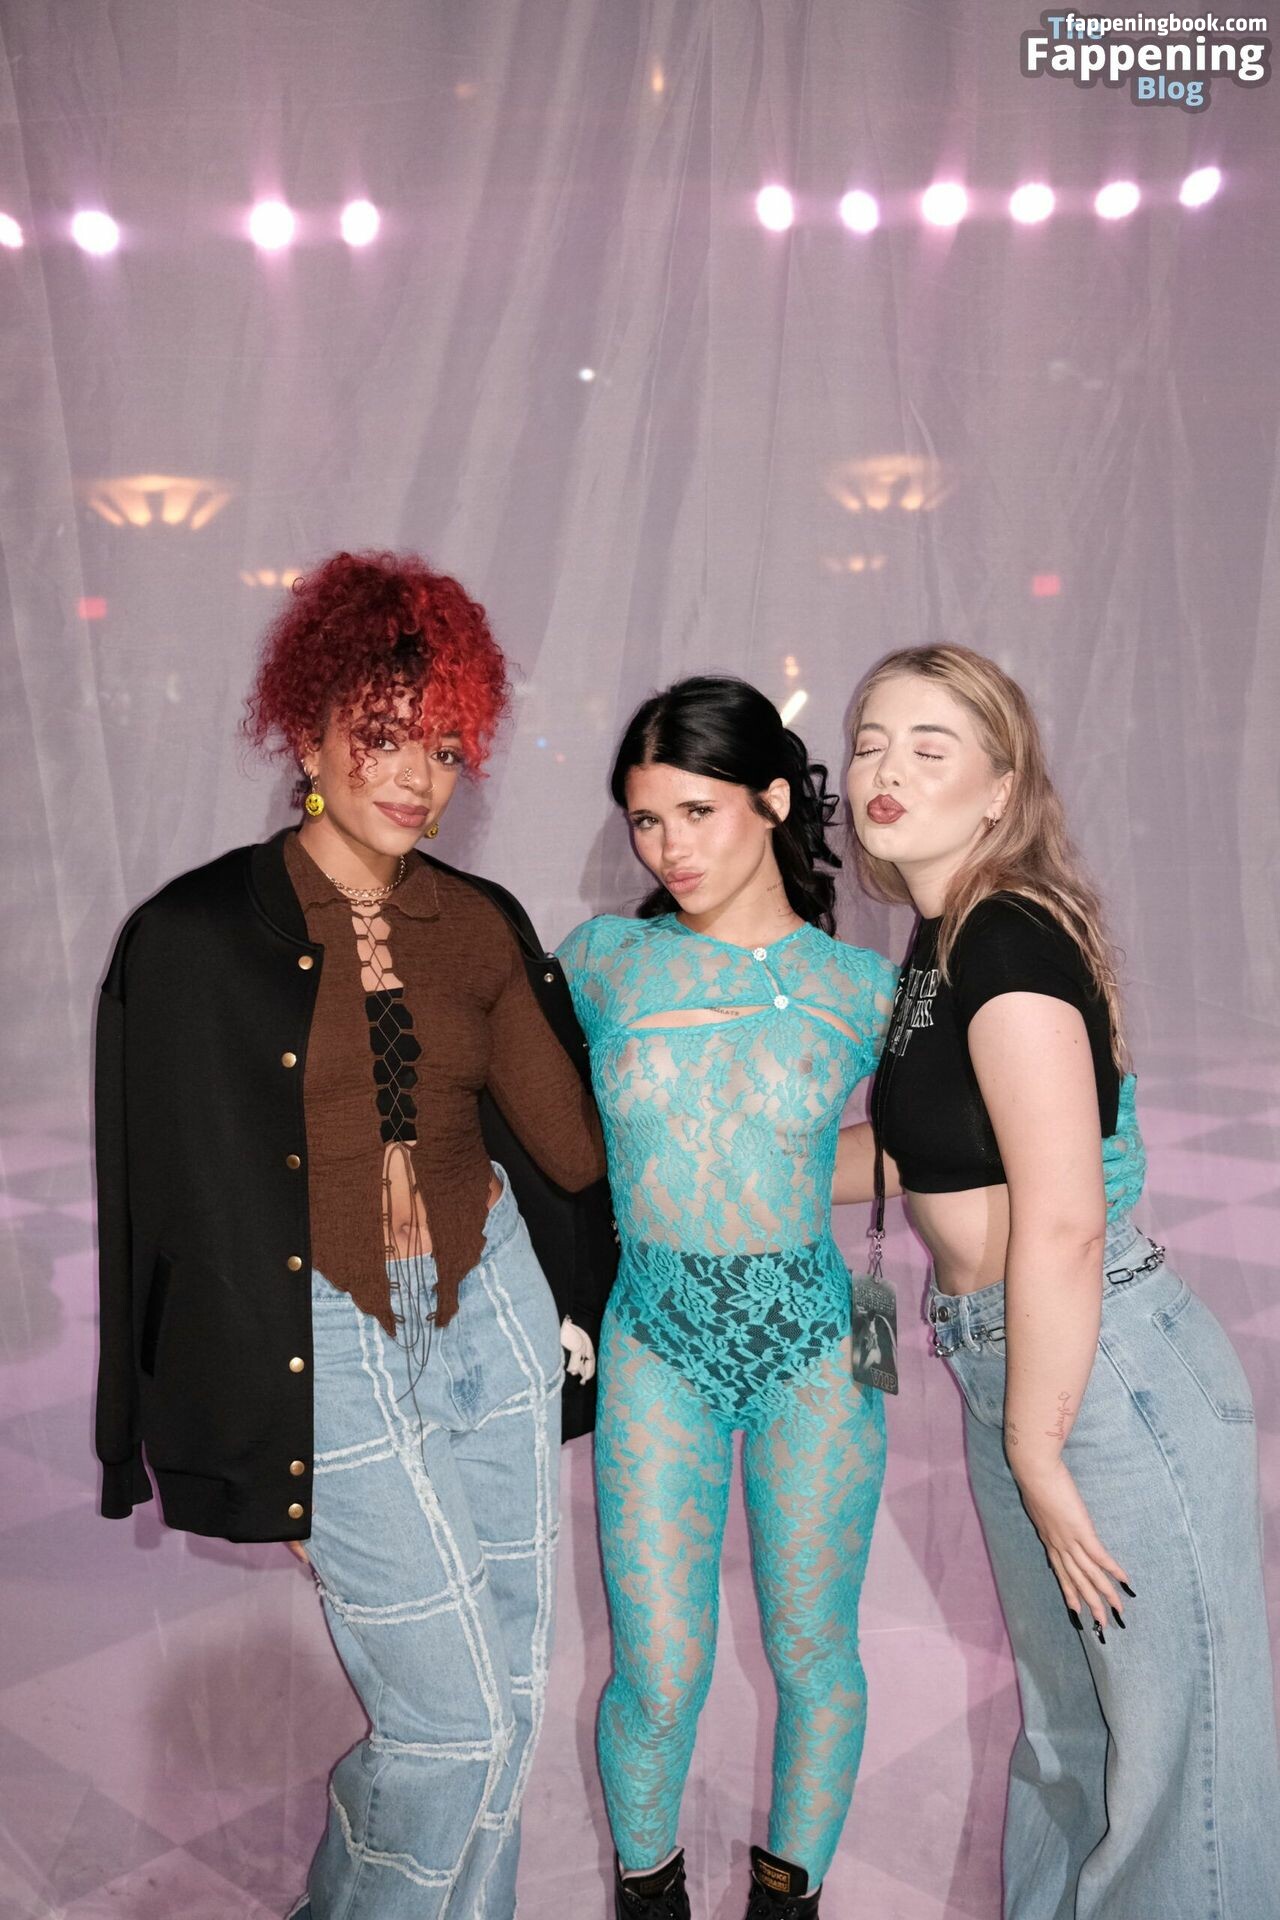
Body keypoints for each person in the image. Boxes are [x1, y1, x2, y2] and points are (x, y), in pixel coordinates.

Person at [93, 550, 606, 1920]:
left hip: (491, 1304)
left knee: (509, 1692)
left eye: (443, 747)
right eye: (383, 735)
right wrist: (237, 1426)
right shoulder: (198, 935)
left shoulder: (477, 921)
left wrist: (651, 991)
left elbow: (572, 1150)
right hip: (322, 1330)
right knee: (450, 1723)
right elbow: (171, 1207)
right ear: (307, 730)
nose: (416, 776)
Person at [837, 643, 1280, 1920]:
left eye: (928, 746)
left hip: (1100, 1376)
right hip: (1014, 1359)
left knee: (1173, 1771)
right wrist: (704, 1159)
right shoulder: (942, 938)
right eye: (868, 742)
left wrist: (1035, 1445)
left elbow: (1065, 1218)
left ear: (998, 789)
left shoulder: (1007, 937)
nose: (883, 768)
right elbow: (926, 1151)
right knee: (1068, 1742)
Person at [558, 677, 897, 1920]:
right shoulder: (603, 963)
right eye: (646, 820)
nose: (668, 848)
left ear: (771, 800)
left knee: (813, 1658)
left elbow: (963, 1134)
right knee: (656, 1673)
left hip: (817, 1349)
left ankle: (783, 1906)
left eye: (695, 812)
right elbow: (522, 1121)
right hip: (654, 1342)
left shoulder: (862, 987)